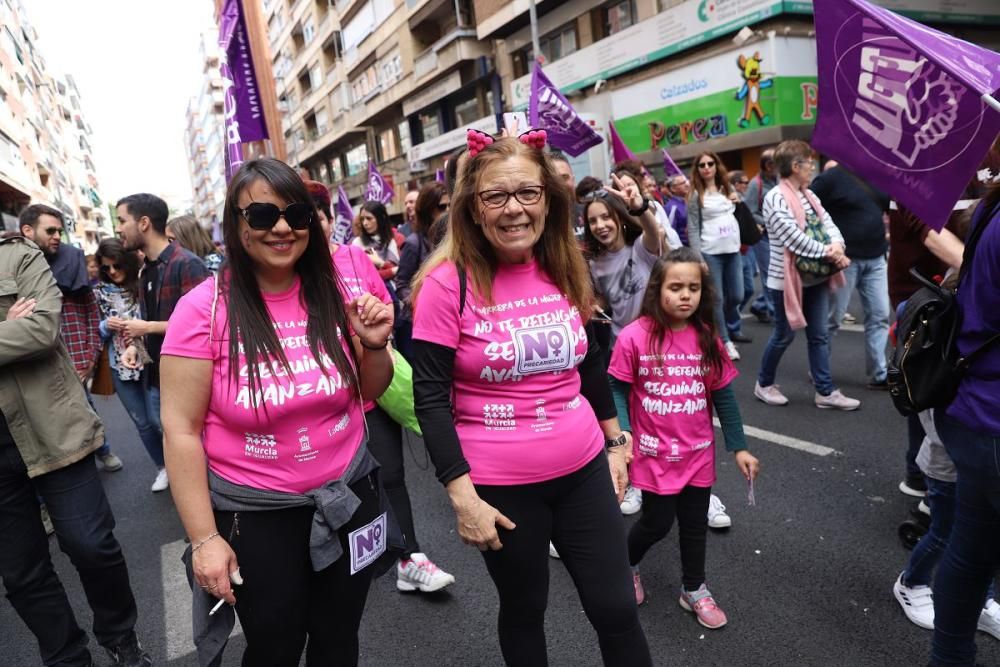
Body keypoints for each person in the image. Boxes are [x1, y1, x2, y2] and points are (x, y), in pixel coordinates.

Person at [410, 136, 652, 666]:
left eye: (527, 192)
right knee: (525, 609)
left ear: (548, 199)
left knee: (616, 610)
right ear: (473, 207)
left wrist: (616, 442)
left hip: (584, 470)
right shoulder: (445, 285)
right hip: (501, 489)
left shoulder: (568, 265)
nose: (514, 208)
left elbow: (589, 365)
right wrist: (462, 496)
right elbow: (428, 395)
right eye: (496, 196)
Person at [159, 157, 398, 666]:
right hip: (258, 519)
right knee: (275, 648)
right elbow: (181, 430)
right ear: (236, 224)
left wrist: (374, 347)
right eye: (263, 215)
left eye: (297, 213)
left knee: (340, 639)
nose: (283, 227)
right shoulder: (202, 309)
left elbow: (366, 393)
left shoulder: (335, 293)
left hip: (350, 496)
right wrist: (204, 539)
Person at [0, 234, 152, 667]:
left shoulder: (15, 254)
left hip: (53, 430)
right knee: (22, 573)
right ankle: (67, 658)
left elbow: (40, 330)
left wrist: (20, 328)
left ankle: (121, 637)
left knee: (91, 545)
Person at [608, 249, 760, 626]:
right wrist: (623, 432)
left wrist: (738, 446)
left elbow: (723, 395)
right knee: (657, 523)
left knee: (694, 525)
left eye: (693, 287)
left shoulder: (708, 338)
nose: (685, 295)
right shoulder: (633, 337)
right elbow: (615, 386)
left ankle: (694, 588)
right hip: (654, 454)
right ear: (657, 290)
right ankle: (625, 565)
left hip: (698, 454)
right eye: (676, 287)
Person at [331, 229, 455, 593]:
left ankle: (409, 558)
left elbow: (387, 305)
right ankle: (341, 564)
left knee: (391, 475)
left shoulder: (354, 258)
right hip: (326, 401)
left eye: (310, 214)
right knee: (339, 485)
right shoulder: (289, 269)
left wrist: (375, 323)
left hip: (373, 387)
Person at [929, 188, 1000, 666]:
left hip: (977, 407)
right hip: (992, 415)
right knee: (971, 548)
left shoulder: (990, 205)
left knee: (972, 548)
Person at [754, 140, 859, 410]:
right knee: (784, 335)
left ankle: (825, 392)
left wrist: (837, 245)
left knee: (819, 335)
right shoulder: (775, 197)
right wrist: (833, 253)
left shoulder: (809, 195)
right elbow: (794, 239)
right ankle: (764, 384)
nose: (812, 166)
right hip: (786, 280)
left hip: (816, 277)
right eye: (808, 162)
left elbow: (828, 223)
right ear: (795, 166)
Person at [20, 204, 122, 472]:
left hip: (75, 358)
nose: (57, 236)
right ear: (27, 231)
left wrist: (89, 358)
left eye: (59, 231)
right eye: (50, 230)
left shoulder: (72, 262)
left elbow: (90, 313)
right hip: (34, 362)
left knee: (85, 410)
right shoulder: (14, 269)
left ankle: (103, 450)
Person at [892, 407, 1000, 639]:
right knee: (944, 533)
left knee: (984, 537)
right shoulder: (953, 373)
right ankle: (911, 583)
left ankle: (982, 601)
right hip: (949, 463)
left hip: (981, 458)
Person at [116, 193, 211, 449]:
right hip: (157, 375)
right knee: (167, 433)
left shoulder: (188, 264)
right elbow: (150, 319)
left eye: (122, 220)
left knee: (197, 443)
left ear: (144, 223)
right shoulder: (146, 268)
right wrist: (137, 346)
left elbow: (207, 325)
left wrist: (146, 328)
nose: (117, 228)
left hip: (187, 378)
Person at [810, 162, 891, 390]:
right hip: (844, 261)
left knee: (880, 315)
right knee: (832, 319)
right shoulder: (830, 179)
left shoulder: (878, 175)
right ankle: (819, 370)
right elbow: (807, 211)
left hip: (876, 257)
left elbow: (889, 206)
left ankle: (879, 374)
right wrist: (824, 247)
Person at [94, 239, 166, 492]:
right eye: (106, 268)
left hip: (150, 361)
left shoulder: (144, 282)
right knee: (143, 423)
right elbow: (93, 332)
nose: (112, 272)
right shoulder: (99, 292)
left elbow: (156, 318)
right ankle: (162, 468)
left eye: (116, 265)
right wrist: (105, 326)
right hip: (119, 365)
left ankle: (180, 464)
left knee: (160, 420)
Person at [686, 151, 749, 360]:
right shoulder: (696, 195)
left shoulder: (727, 188)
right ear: (698, 169)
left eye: (710, 163)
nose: (706, 167)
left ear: (716, 165)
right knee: (717, 299)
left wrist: (737, 200)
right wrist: (699, 258)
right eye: (702, 164)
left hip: (733, 249)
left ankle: (728, 325)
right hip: (711, 251)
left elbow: (737, 213)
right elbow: (693, 228)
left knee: (738, 295)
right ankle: (725, 340)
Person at [394, 181, 449, 360]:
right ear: (428, 209)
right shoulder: (413, 243)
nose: (448, 210)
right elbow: (401, 284)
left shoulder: (456, 240)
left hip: (447, 323)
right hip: (417, 326)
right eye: (442, 207)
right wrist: (422, 304)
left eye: (450, 205)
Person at [744, 149, 778, 323]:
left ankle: (759, 306)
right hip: (764, 236)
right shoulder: (755, 184)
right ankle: (775, 313)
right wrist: (769, 221)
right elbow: (749, 212)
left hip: (779, 235)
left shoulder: (778, 180)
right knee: (770, 275)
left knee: (780, 273)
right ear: (768, 165)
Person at [353, 201, 401, 281]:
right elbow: (365, 276)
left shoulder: (394, 240)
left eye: (369, 218)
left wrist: (380, 263)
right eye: (362, 219)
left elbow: (402, 272)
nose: (365, 223)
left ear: (381, 218)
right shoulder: (357, 244)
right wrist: (391, 271)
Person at [663, 174, 690, 247]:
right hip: (684, 250)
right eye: (683, 183)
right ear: (673, 188)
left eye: (687, 181)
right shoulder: (671, 207)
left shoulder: (689, 202)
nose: (687, 184)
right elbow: (670, 232)